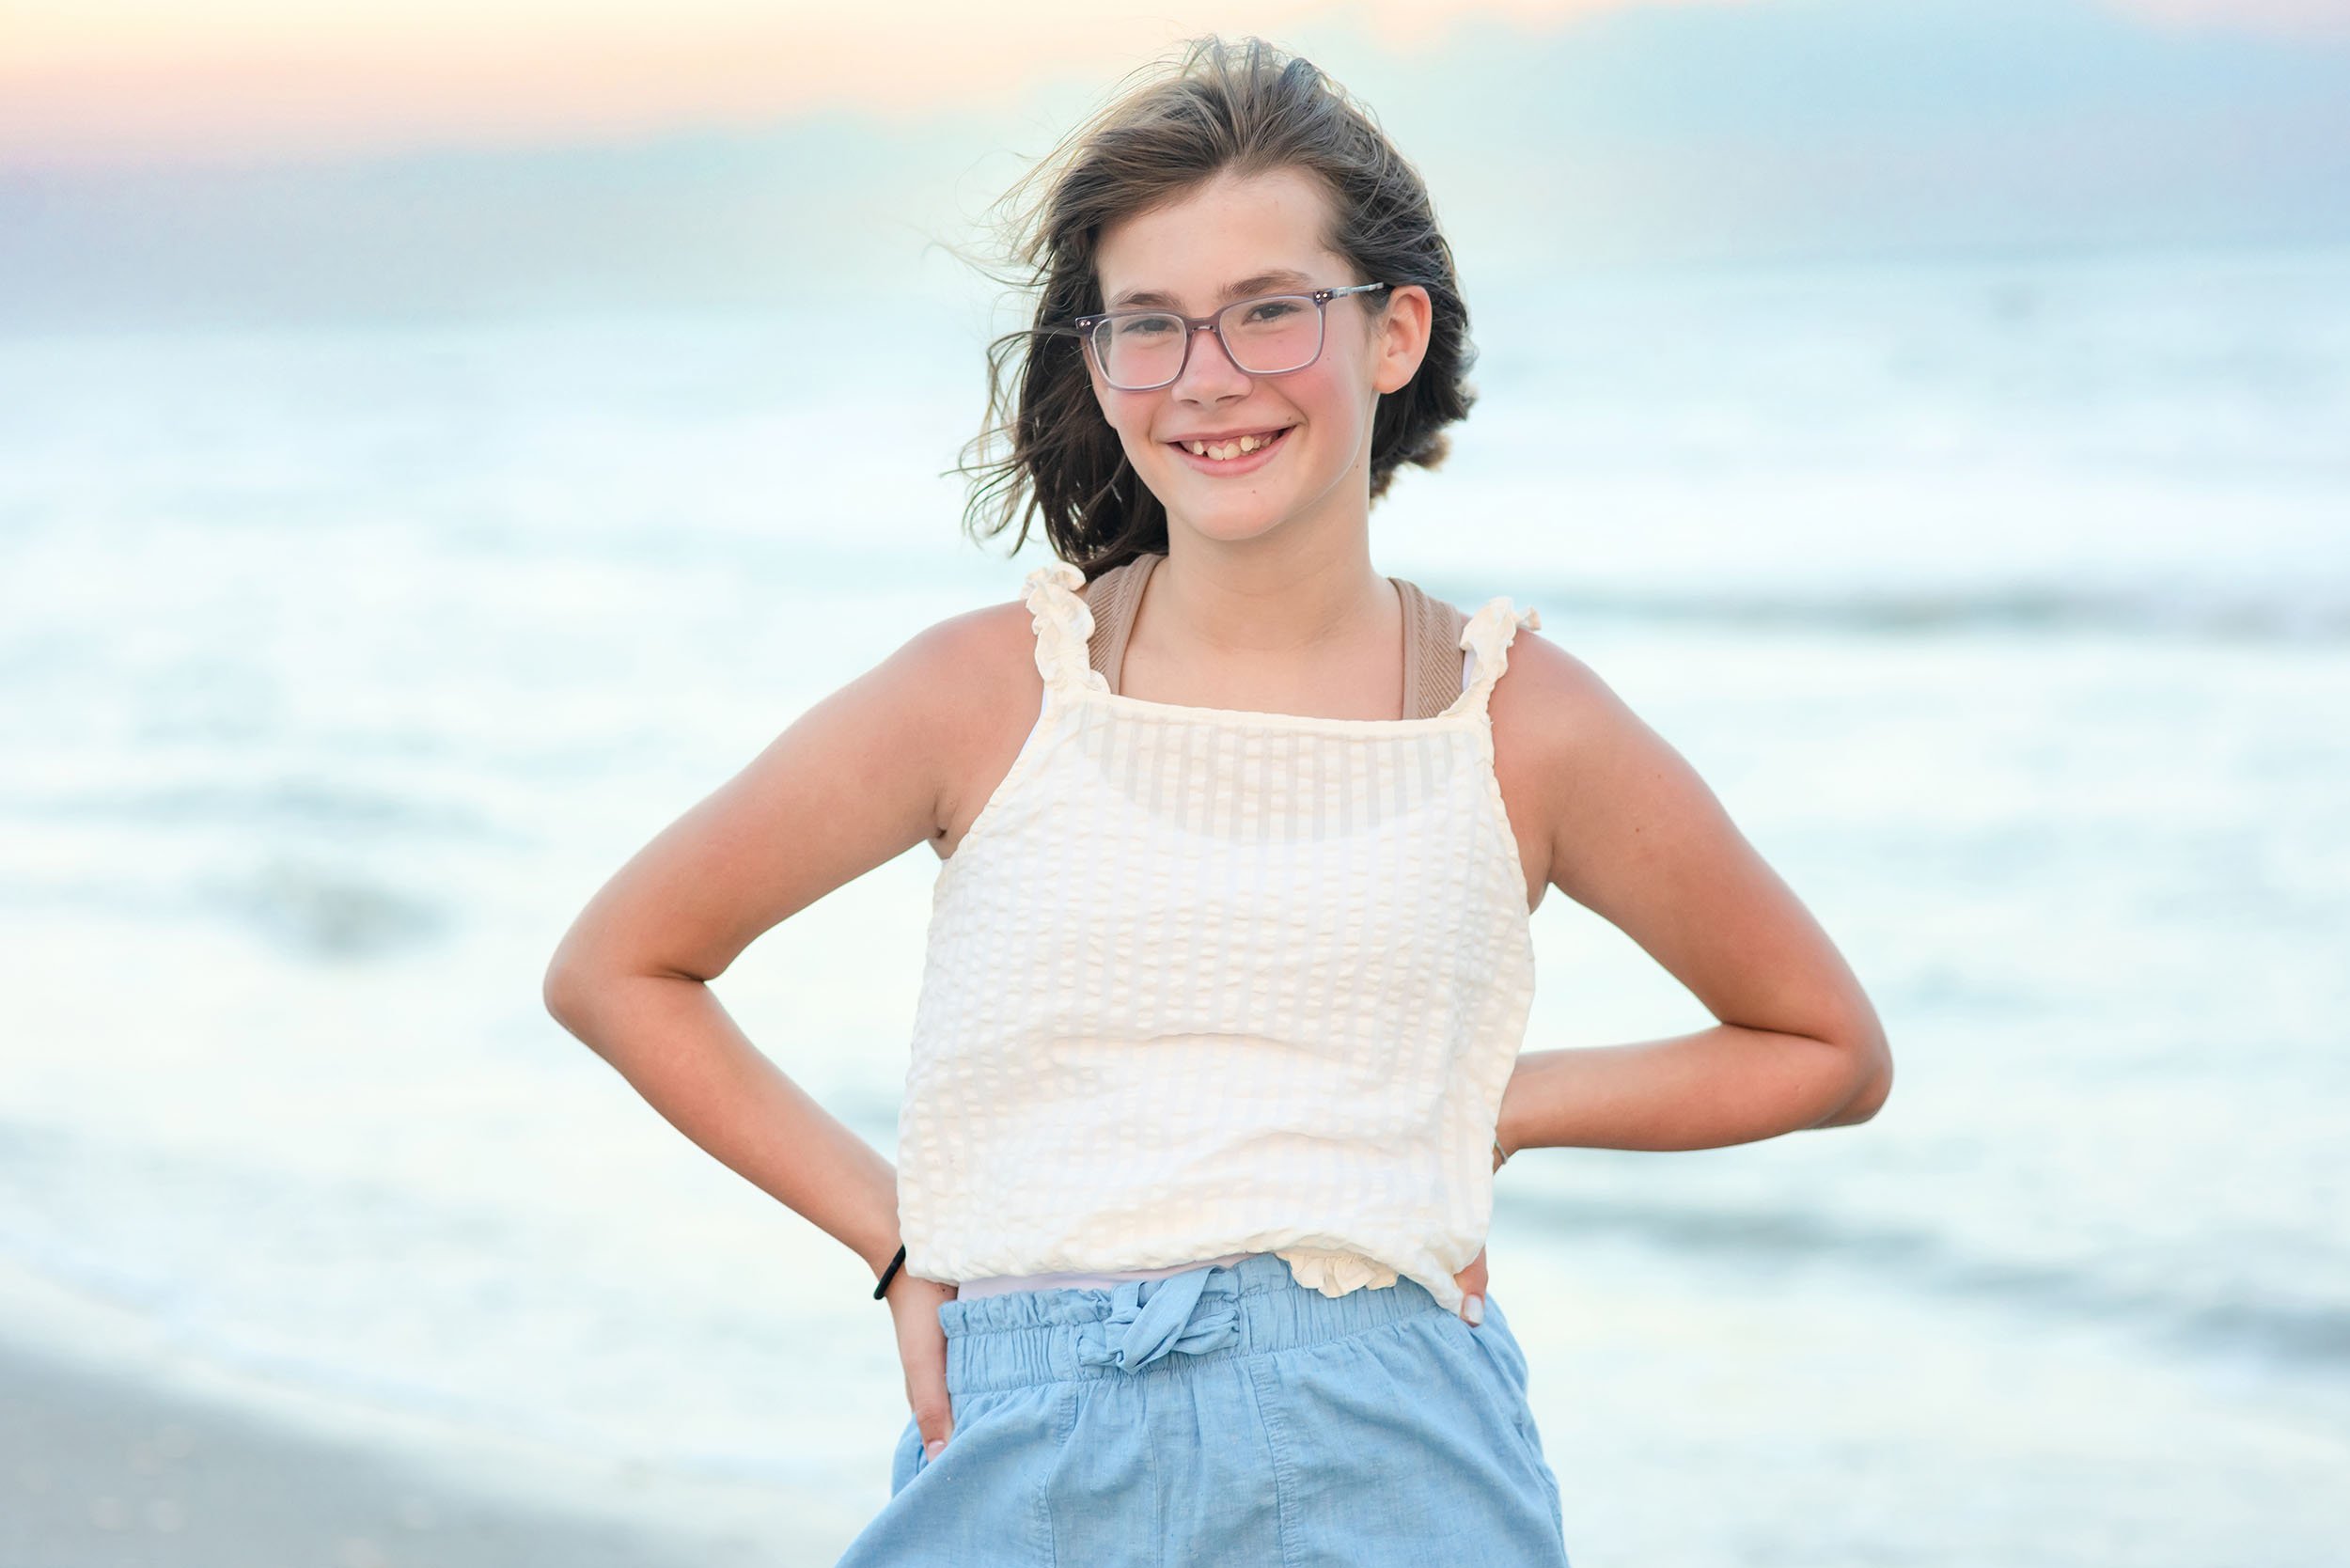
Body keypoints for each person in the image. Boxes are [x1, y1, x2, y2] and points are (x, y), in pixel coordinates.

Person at [543, 33, 1891, 1566]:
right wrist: (899, 1244)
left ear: (1393, 335)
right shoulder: (983, 694)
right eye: (1152, 327)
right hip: (1025, 1447)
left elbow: (1827, 1049)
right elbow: (621, 965)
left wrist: (1495, 1111)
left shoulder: (1511, 719)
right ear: (1099, 364)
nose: (1210, 379)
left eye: (1269, 312)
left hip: (1390, 1443)